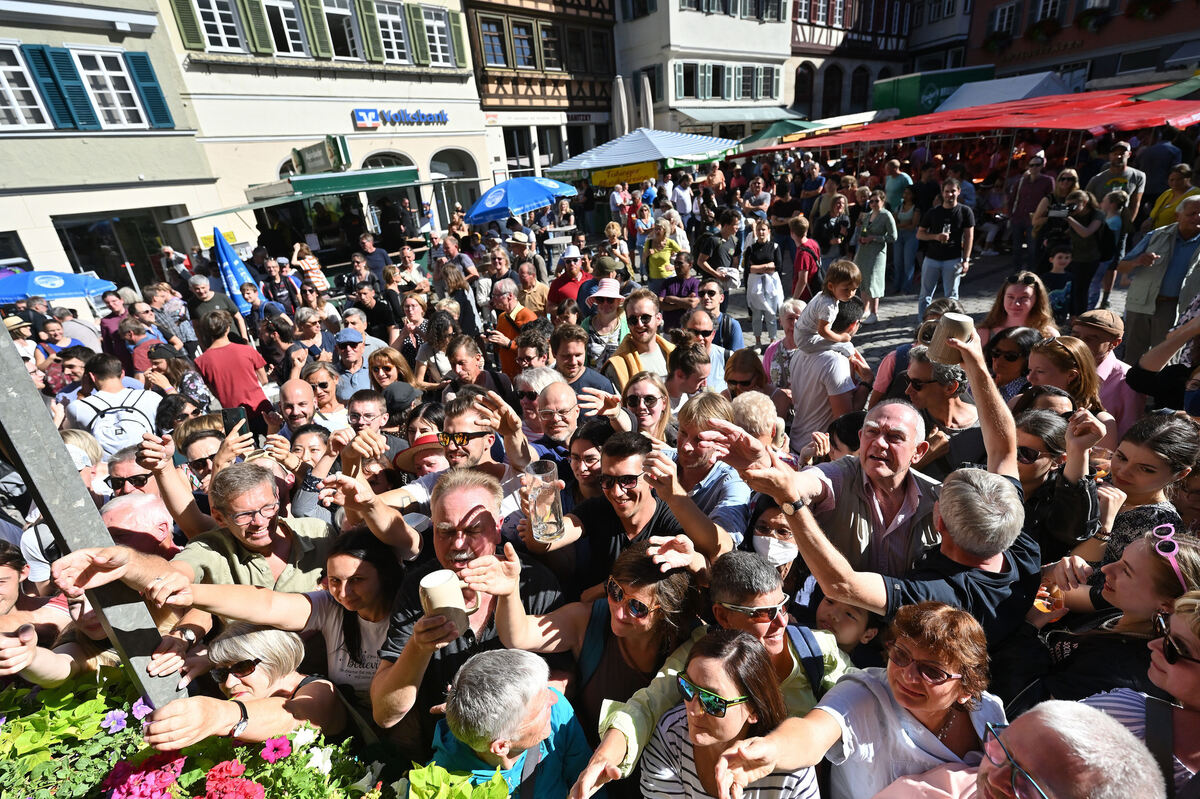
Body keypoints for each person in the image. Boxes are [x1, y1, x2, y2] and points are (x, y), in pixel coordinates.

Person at [572, 551, 853, 799]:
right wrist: (606, 755)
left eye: (783, 606)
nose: (781, 622)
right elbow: (648, 704)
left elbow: (854, 705)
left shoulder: (816, 651)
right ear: (723, 616)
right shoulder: (701, 656)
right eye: (762, 614)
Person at [713, 602, 1002, 799]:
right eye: (900, 655)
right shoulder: (864, 694)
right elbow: (813, 732)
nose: (907, 675)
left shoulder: (989, 712)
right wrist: (772, 749)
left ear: (967, 689)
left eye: (931, 671)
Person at [370, 470, 564, 760]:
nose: (458, 544)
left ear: (498, 528)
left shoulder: (534, 582)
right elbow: (385, 713)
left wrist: (486, 716)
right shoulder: (418, 588)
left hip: (522, 753)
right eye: (445, 531)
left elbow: (561, 679)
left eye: (473, 530)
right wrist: (418, 647)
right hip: (444, 757)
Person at [139, 529, 398, 712]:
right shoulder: (330, 606)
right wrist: (187, 593)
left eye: (356, 581)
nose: (343, 593)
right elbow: (265, 603)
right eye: (335, 581)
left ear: (384, 575)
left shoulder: (404, 613)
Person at [1008, 526, 1200, 714]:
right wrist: (1050, 573)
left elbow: (1025, 708)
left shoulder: (1125, 676)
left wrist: (1028, 629)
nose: (1107, 569)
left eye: (1126, 571)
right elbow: (1062, 593)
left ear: (1166, 605)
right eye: (1120, 559)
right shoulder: (1122, 610)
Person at [519, 431, 732, 594]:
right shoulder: (599, 507)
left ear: (650, 478)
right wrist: (540, 515)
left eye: (628, 480)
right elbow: (544, 544)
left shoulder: (674, 517)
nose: (617, 492)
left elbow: (714, 567)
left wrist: (692, 559)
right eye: (607, 480)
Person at [642, 629, 819, 799]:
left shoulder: (791, 771)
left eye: (712, 701)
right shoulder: (670, 735)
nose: (693, 710)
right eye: (687, 687)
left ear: (754, 710)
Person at [1082, 589, 1200, 795]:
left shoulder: (1125, 715)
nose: (1153, 644)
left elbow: (1014, 758)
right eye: (1163, 627)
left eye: (1177, 647)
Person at [431, 648, 591, 798]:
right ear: (501, 746)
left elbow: (584, 778)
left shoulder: (555, 711)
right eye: (540, 708)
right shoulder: (442, 786)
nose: (554, 699)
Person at [1117, 195, 1200, 365]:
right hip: (1141, 305)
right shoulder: (1156, 235)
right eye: (1192, 213)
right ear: (1178, 216)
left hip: (1176, 309)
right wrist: (1137, 261)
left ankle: (1155, 392)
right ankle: (1129, 391)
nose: (1198, 217)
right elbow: (1122, 267)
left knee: (1164, 361)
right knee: (1132, 358)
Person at [789, 297, 870, 447]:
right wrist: (867, 382)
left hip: (797, 441)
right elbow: (844, 419)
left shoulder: (802, 350)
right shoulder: (835, 362)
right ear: (853, 325)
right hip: (817, 452)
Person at [1021, 335, 1118, 450]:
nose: (1030, 378)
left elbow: (1102, 465)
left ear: (1071, 375)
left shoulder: (1099, 423)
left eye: (1040, 371)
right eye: (1030, 370)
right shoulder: (1019, 403)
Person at [904, 345, 984, 481]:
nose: (907, 390)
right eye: (907, 380)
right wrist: (925, 456)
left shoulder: (985, 427)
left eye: (917, 384)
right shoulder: (906, 421)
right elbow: (883, 479)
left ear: (950, 387)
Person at [64, 353, 161, 460]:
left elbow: (72, 438)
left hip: (107, 471)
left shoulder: (77, 407)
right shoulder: (151, 397)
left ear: (91, 377)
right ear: (122, 373)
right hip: (147, 464)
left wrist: (83, 393)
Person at [1069, 308, 1145, 439]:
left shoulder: (1127, 380)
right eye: (1075, 336)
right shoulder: (1062, 365)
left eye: (1090, 339)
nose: (1080, 344)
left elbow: (1127, 434)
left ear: (1114, 343)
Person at [917, 179, 975, 319]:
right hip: (931, 258)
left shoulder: (965, 211)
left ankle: (951, 324)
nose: (950, 194)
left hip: (953, 259)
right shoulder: (933, 212)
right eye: (947, 191)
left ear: (959, 191)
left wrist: (966, 260)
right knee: (925, 295)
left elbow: (969, 237)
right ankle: (923, 323)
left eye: (953, 191)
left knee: (952, 296)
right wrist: (936, 237)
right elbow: (920, 234)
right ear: (942, 193)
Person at [603, 290, 674, 391]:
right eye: (633, 320)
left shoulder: (675, 354)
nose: (639, 324)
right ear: (627, 323)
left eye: (645, 318)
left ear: (658, 319)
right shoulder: (617, 366)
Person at [795, 259, 861, 358]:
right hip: (807, 340)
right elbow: (823, 331)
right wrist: (841, 337)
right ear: (831, 286)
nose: (850, 293)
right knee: (847, 347)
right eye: (846, 289)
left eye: (854, 289)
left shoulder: (822, 295)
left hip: (800, 334)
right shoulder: (828, 306)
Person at [976, 272, 1059, 347]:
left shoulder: (1049, 336)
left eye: (1024, 297)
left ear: (1037, 300)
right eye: (1010, 297)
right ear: (1002, 298)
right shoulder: (984, 333)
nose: (1016, 303)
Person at [853, 190, 897, 326]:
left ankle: (874, 312)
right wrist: (862, 237)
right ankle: (864, 309)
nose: (873, 204)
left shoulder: (886, 215)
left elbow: (893, 237)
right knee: (863, 281)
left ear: (883, 201)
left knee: (873, 282)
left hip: (877, 254)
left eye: (876, 201)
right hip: (864, 252)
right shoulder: (868, 215)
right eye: (871, 201)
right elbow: (864, 231)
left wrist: (874, 238)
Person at [744, 219, 785, 347]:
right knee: (756, 316)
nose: (761, 232)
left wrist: (758, 267)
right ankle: (757, 342)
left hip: (771, 287)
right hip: (756, 287)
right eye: (759, 229)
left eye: (763, 229)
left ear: (768, 231)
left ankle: (773, 341)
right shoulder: (751, 248)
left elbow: (778, 266)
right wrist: (768, 266)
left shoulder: (775, 247)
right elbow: (748, 268)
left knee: (771, 314)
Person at [892, 185, 921, 295]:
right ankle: (896, 286)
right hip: (899, 235)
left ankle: (906, 288)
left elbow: (913, 225)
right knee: (897, 262)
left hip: (911, 236)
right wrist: (905, 224)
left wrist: (901, 224)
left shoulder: (916, 208)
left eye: (908, 193)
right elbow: (894, 222)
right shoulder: (899, 207)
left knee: (908, 263)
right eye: (905, 193)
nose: (906, 195)